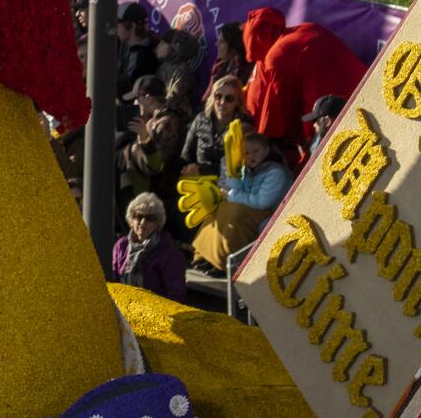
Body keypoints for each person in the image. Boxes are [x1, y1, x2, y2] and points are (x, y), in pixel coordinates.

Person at [240, 7, 368, 152]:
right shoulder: (308, 26)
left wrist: (300, 140)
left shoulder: (276, 56)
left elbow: (288, 106)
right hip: (367, 85)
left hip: (334, 113)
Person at [191, 129, 290, 272]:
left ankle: (227, 263)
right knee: (220, 208)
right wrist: (233, 172)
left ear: (266, 150)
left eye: (255, 151)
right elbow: (238, 189)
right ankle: (208, 257)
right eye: (247, 153)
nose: (251, 156)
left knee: (234, 212)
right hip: (251, 208)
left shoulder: (275, 172)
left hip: (269, 214)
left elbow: (262, 202)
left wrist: (231, 196)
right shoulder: (249, 169)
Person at [110, 192, 186, 302]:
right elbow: (114, 282)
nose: (143, 222)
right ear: (131, 220)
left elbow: (175, 296)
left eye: (150, 218)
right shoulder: (121, 246)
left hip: (155, 313)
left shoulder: (171, 254)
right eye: (138, 216)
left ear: (158, 224)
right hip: (123, 308)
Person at [182, 75, 243, 179]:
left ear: (237, 102)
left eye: (229, 98)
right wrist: (189, 168)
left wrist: (202, 170)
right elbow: (186, 155)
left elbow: (241, 166)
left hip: (228, 184)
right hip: (197, 180)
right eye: (218, 96)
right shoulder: (201, 119)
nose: (222, 102)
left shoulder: (242, 125)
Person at [115, 1, 158, 98]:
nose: (115, 27)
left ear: (132, 26)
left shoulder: (148, 57)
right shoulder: (120, 43)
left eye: (117, 23)